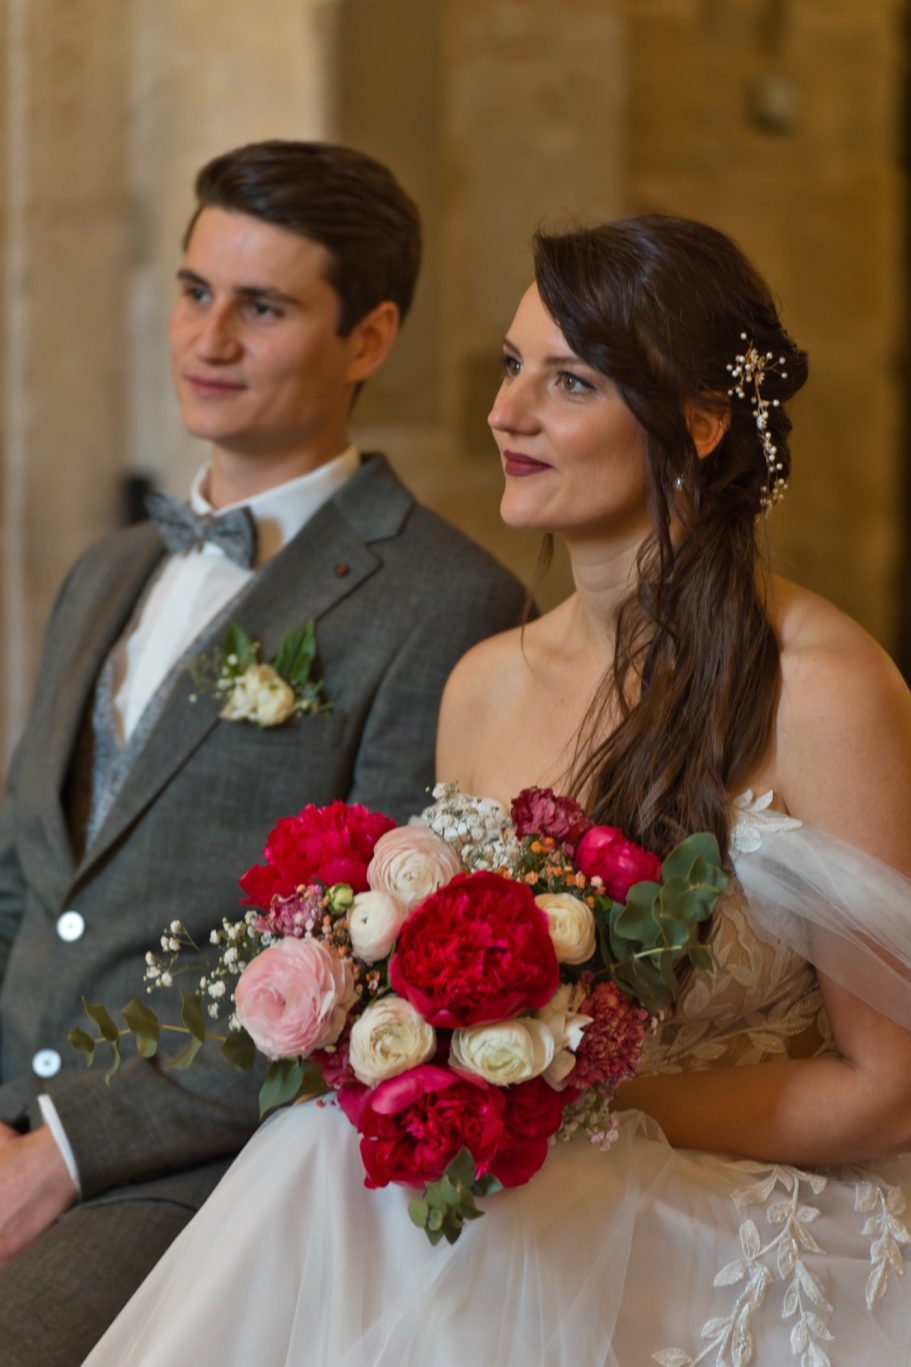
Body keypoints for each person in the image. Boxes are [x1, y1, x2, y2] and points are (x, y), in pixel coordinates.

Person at [80, 216, 911, 1366]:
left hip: (736, 1216)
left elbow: (885, 1087)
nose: (503, 411)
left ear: (697, 424)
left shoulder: (822, 688)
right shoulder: (480, 683)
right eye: (512, 365)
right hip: (530, 1198)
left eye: (566, 381)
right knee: (325, 1154)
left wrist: (555, 1106)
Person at [0, 139, 527, 1365]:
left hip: (190, 1170)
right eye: (195, 291)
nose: (209, 337)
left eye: (264, 307)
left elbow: (373, 974)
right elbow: (24, 877)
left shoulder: (446, 604)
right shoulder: (107, 571)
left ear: (368, 337)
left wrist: (64, 1148)